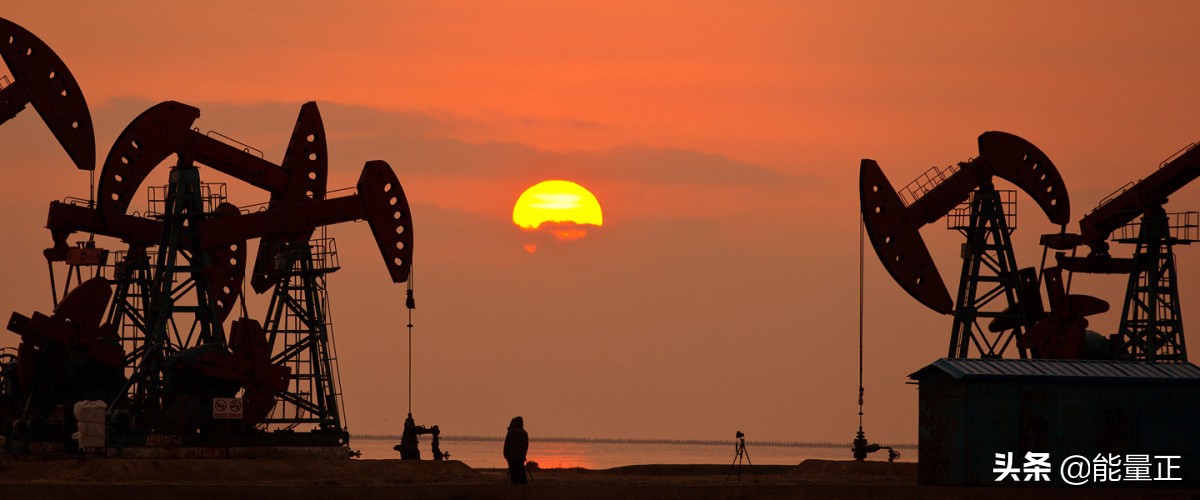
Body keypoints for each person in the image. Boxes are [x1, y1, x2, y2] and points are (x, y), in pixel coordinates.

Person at [503, 416, 529, 484]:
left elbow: (507, 443)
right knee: (521, 470)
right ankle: (523, 484)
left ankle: (515, 484)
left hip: (512, 456)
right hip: (521, 456)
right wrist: (524, 455)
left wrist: (505, 453)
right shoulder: (524, 433)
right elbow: (526, 445)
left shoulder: (511, 431)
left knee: (513, 472)